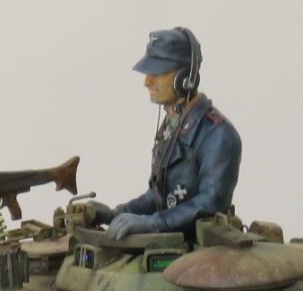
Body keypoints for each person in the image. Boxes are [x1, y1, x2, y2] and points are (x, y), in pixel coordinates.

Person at [99, 28, 242, 242]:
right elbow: (158, 196)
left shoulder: (218, 135)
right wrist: (114, 214)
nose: (147, 81)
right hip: (170, 244)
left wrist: (153, 223)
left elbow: (211, 203)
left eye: (157, 73)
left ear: (184, 78)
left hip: (200, 249)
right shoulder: (172, 125)